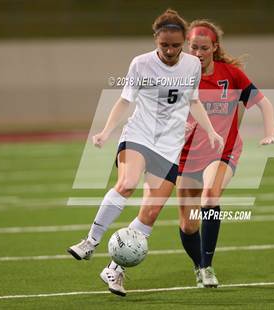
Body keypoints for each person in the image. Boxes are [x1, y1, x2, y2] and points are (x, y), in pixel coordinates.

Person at [67, 10, 223, 297]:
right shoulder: (141, 64)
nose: (170, 51)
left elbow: (194, 101)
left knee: (149, 214)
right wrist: (106, 131)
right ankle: (90, 241)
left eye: (176, 45)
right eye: (164, 45)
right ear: (156, 39)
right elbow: (125, 101)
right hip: (138, 135)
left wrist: (211, 130)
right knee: (126, 183)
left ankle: (114, 270)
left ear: (182, 43)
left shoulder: (191, 65)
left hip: (169, 146)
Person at [176, 20, 274, 288]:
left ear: (214, 47)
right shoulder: (178, 75)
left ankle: (208, 267)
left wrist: (269, 132)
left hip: (223, 152)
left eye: (204, 48)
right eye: (194, 47)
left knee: (210, 196)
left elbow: (264, 104)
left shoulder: (231, 74)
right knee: (188, 226)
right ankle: (199, 266)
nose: (198, 52)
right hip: (187, 157)